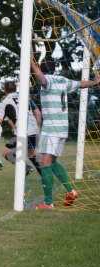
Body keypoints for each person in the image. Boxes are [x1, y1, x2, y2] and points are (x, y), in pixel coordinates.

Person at [31, 58, 100, 209]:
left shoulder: (47, 80)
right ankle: (71, 191)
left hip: (51, 128)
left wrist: (30, 62)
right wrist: (95, 81)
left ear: (42, 68)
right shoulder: (63, 80)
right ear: (54, 68)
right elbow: (81, 84)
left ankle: (48, 203)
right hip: (62, 128)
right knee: (52, 161)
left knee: (44, 163)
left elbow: (41, 78)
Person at [0, 81, 42, 175]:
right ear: (15, 88)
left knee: (6, 153)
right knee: (31, 155)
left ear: (5, 90)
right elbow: (37, 113)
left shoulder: (6, 101)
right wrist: (36, 127)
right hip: (33, 131)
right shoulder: (25, 97)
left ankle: (26, 168)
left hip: (22, 132)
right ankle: (45, 175)